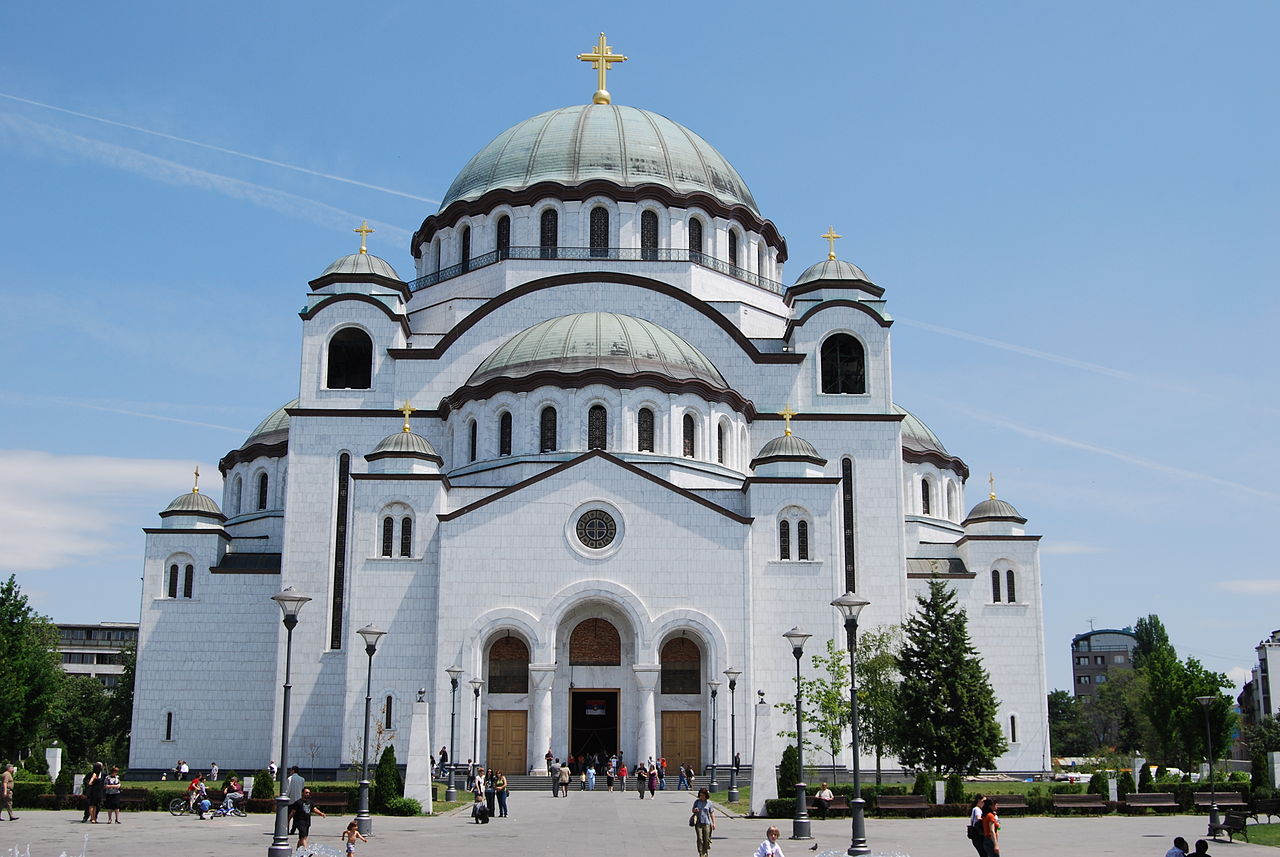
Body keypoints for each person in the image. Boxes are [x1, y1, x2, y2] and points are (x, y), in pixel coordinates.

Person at [691, 787, 716, 857]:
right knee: (700, 838)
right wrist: (695, 810)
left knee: (707, 839)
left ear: (706, 795)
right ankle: (701, 853)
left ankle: (705, 851)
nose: (701, 797)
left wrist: (714, 823)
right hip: (698, 823)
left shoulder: (709, 803)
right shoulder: (697, 802)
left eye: (703, 795)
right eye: (700, 795)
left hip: (707, 823)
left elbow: (712, 814)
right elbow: (692, 810)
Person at [285, 766, 304, 833]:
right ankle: (293, 830)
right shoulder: (302, 779)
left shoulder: (290, 778)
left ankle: (286, 829)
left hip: (291, 800)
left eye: (291, 770)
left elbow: (288, 789)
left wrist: (286, 797)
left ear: (293, 771)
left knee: (288, 816)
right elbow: (302, 789)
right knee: (296, 817)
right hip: (298, 800)